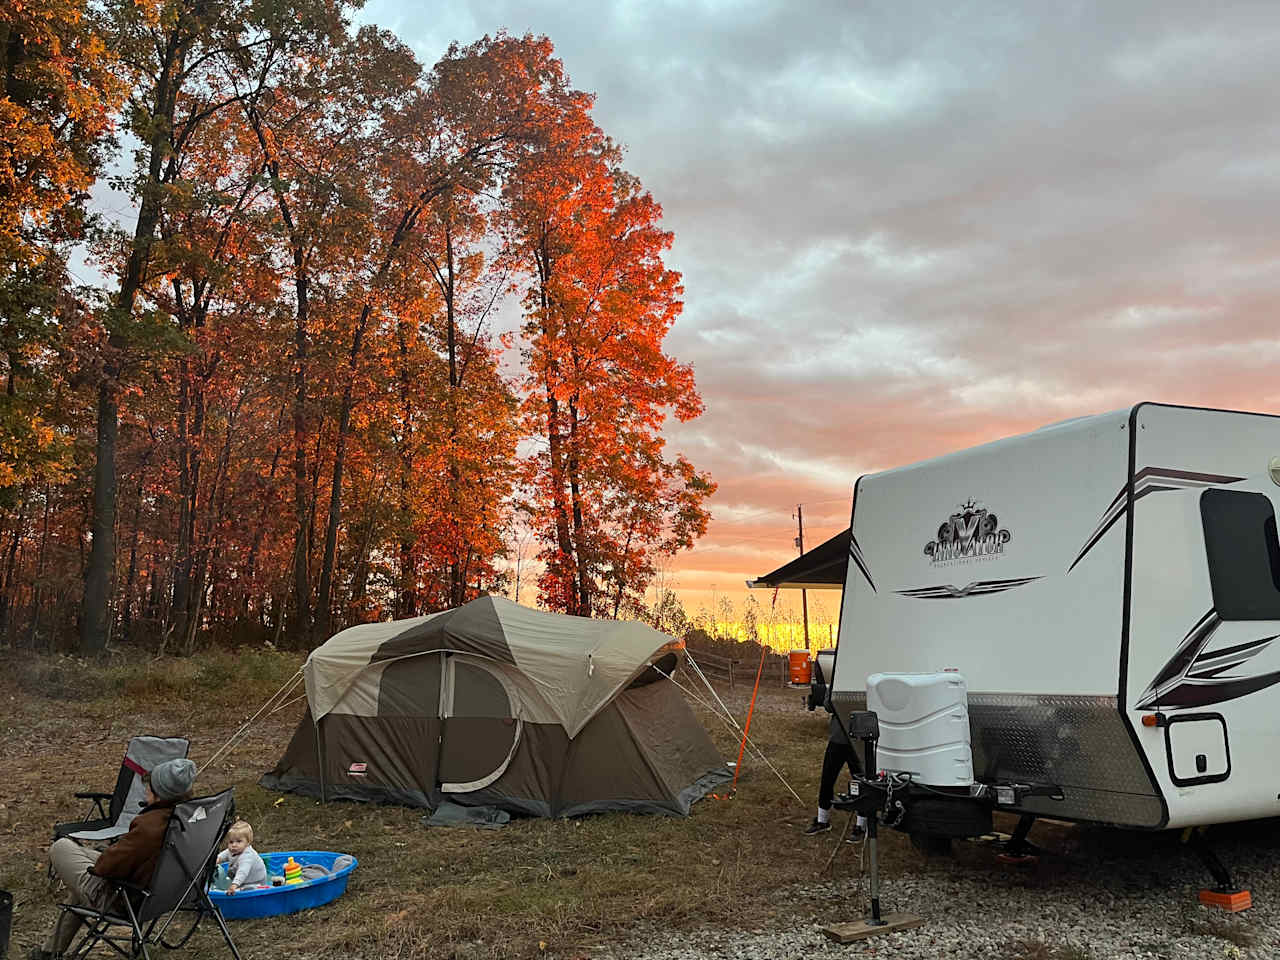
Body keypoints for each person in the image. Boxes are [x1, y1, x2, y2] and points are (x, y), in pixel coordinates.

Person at [30, 757, 198, 960]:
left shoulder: (150, 826)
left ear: (160, 794)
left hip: (121, 899)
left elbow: (105, 867)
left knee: (61, 846)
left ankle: (49, 952)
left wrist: (112, 852)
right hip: (160, 897)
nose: (146, 791)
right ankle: (50, 951)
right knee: (83, 863)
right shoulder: (188, 819)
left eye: (150, 787)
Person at [804, 704, 867, 839]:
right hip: (837, 738)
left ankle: (861, 826)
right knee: (827, 779)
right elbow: (828, 705)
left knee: (862, 782)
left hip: (859, 738)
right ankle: (822, 820)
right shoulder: (836, 682)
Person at [216, 819, 268, 893]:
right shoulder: (232, 850)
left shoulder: (247, 856)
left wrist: (234, 884)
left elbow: (242, 872)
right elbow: (222, 856)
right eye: (231, 842)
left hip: (255, 882)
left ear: (248, 842)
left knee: (246, 890)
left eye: (239, 841)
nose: (234, 845)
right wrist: (216, 859)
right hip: (242, 880)